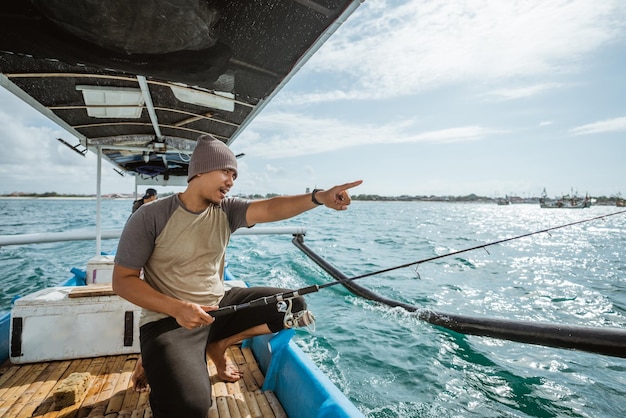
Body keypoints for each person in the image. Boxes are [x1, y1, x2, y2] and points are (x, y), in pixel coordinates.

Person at [112, 134, 362, 418]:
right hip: (169, 320)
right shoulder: (150, 215)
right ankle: (153, 358)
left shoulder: (227, 210)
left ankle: (218, 344)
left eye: (234, 174)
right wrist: (177, 308)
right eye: (225, 172)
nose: (231, 180)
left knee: (294, 304)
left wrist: (320, 198)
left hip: (219, 308)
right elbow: (122, 280)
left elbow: (271, 207)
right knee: (190, 407)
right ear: (199, 171)